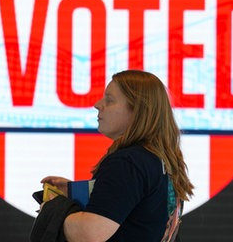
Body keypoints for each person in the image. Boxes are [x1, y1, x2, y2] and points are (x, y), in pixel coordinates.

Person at [37, 70, 194, 242]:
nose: (98, 104)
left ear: (137, 110)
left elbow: (90, 233)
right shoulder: (161, 162)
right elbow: (140, 217)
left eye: (109, 100)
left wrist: (51, 209)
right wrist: (85, 191)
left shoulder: (128, 163)